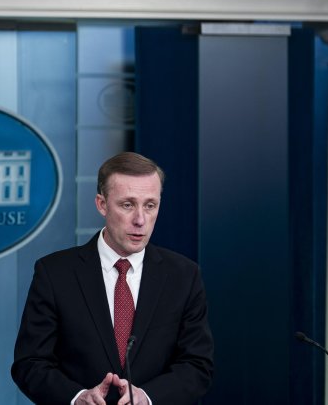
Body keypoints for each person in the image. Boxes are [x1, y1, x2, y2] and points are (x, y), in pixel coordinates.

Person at [11, 152, 213, 405]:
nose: (140, 220)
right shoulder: (54, 273)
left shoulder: (183, 275)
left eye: (150, 205)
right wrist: (77, 398)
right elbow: (30, 363)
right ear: (102, 204)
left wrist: (149, 397)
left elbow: (197, 365)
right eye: (127, 205)